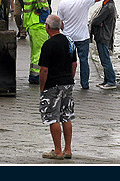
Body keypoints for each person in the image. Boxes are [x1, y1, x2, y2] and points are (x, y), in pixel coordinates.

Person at [57, 0, 120, 89]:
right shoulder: (84, 1)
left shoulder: (62, 3)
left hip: (68, 37)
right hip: (82, 37)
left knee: (68, 61)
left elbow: (60, 21)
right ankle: (85, 84)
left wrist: (64, 30)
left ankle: (67, 81)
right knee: (84, 61)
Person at [38, 14, 77, 160]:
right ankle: (68, 150)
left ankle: (58, 151)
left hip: (53, 85)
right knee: (66, 116)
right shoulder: (70, 42)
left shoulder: (48, 44)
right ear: (60, 26)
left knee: (53, 117)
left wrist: (42, 88)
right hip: (67, 83)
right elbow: (74, 64)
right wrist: (70, 78)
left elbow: (44, 69)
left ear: (47, 27)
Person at [90, 0, 120, 89]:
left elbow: (96, 20)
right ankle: (106, 80)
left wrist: (98, 22)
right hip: (102, 35)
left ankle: (111, 81)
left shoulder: (108, 7)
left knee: (105, 59)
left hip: (104, 36)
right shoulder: (105, 4)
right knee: (103, 58)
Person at [23, 0, 50, 84]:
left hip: (31, 23)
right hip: (38, 24)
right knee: (40, 50)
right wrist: (42, 9)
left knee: (35, 51)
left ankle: (34, 74)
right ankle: (37, 76)